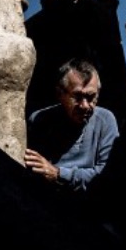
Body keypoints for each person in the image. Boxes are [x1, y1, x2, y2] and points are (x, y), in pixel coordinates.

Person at [24, 58, 118, 192]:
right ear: (60, 94)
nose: (84, 105)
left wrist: (58, 174)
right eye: (77, 97)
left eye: (91, 97)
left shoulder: (105, 121)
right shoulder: (40, 120)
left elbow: (107, 175)